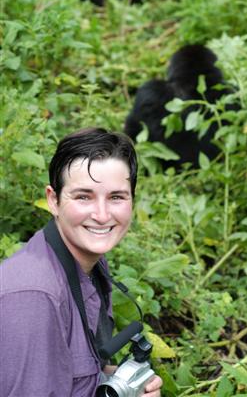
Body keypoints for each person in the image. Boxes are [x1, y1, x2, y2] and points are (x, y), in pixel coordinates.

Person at [0, 127, 163, 396]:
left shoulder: (90, 264)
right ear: (53, 200)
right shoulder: (33, 297)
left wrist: (126, 385)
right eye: (83, 197)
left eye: (116, 197)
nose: (101, 215)